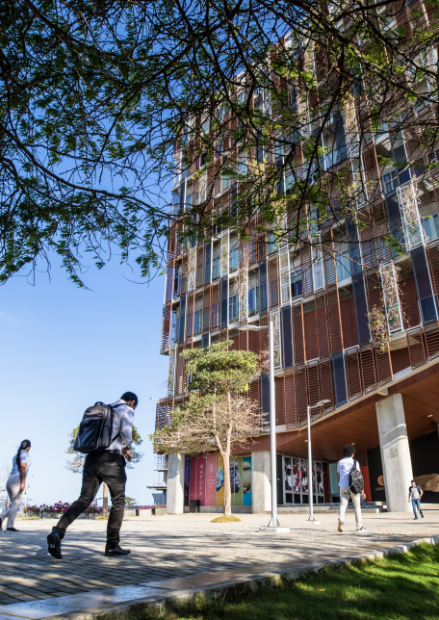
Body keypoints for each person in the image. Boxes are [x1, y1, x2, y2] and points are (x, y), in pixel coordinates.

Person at [47, 392, 138, 559]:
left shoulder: (104, 408)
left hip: (91, 459)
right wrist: (127, 447)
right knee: (118, 501)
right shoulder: (126, 409)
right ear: (132, 402)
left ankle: (57, 532)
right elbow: (126, 432)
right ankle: (112, 545)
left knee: (84, 499)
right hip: (111, 460)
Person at [0, 440, 32, 532]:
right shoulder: (25, 454)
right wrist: (23, 482)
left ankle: (1, 518)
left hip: (10, 480)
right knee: (16, 504)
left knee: (13, 503)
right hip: (17, 481)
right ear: (28, 448)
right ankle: (10, 526)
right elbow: (22, 467)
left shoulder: (16, 455)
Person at [337, 445, 367, 533]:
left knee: (342, 505)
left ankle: (341, 520)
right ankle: (359, 526)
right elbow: (358, 476)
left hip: (343, 486)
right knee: (357, 506)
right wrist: (362, 489)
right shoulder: (355, 462)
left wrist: (343, 482)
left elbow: (339, 475)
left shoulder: (340, 462)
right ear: (352, 454)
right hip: (353, 487)